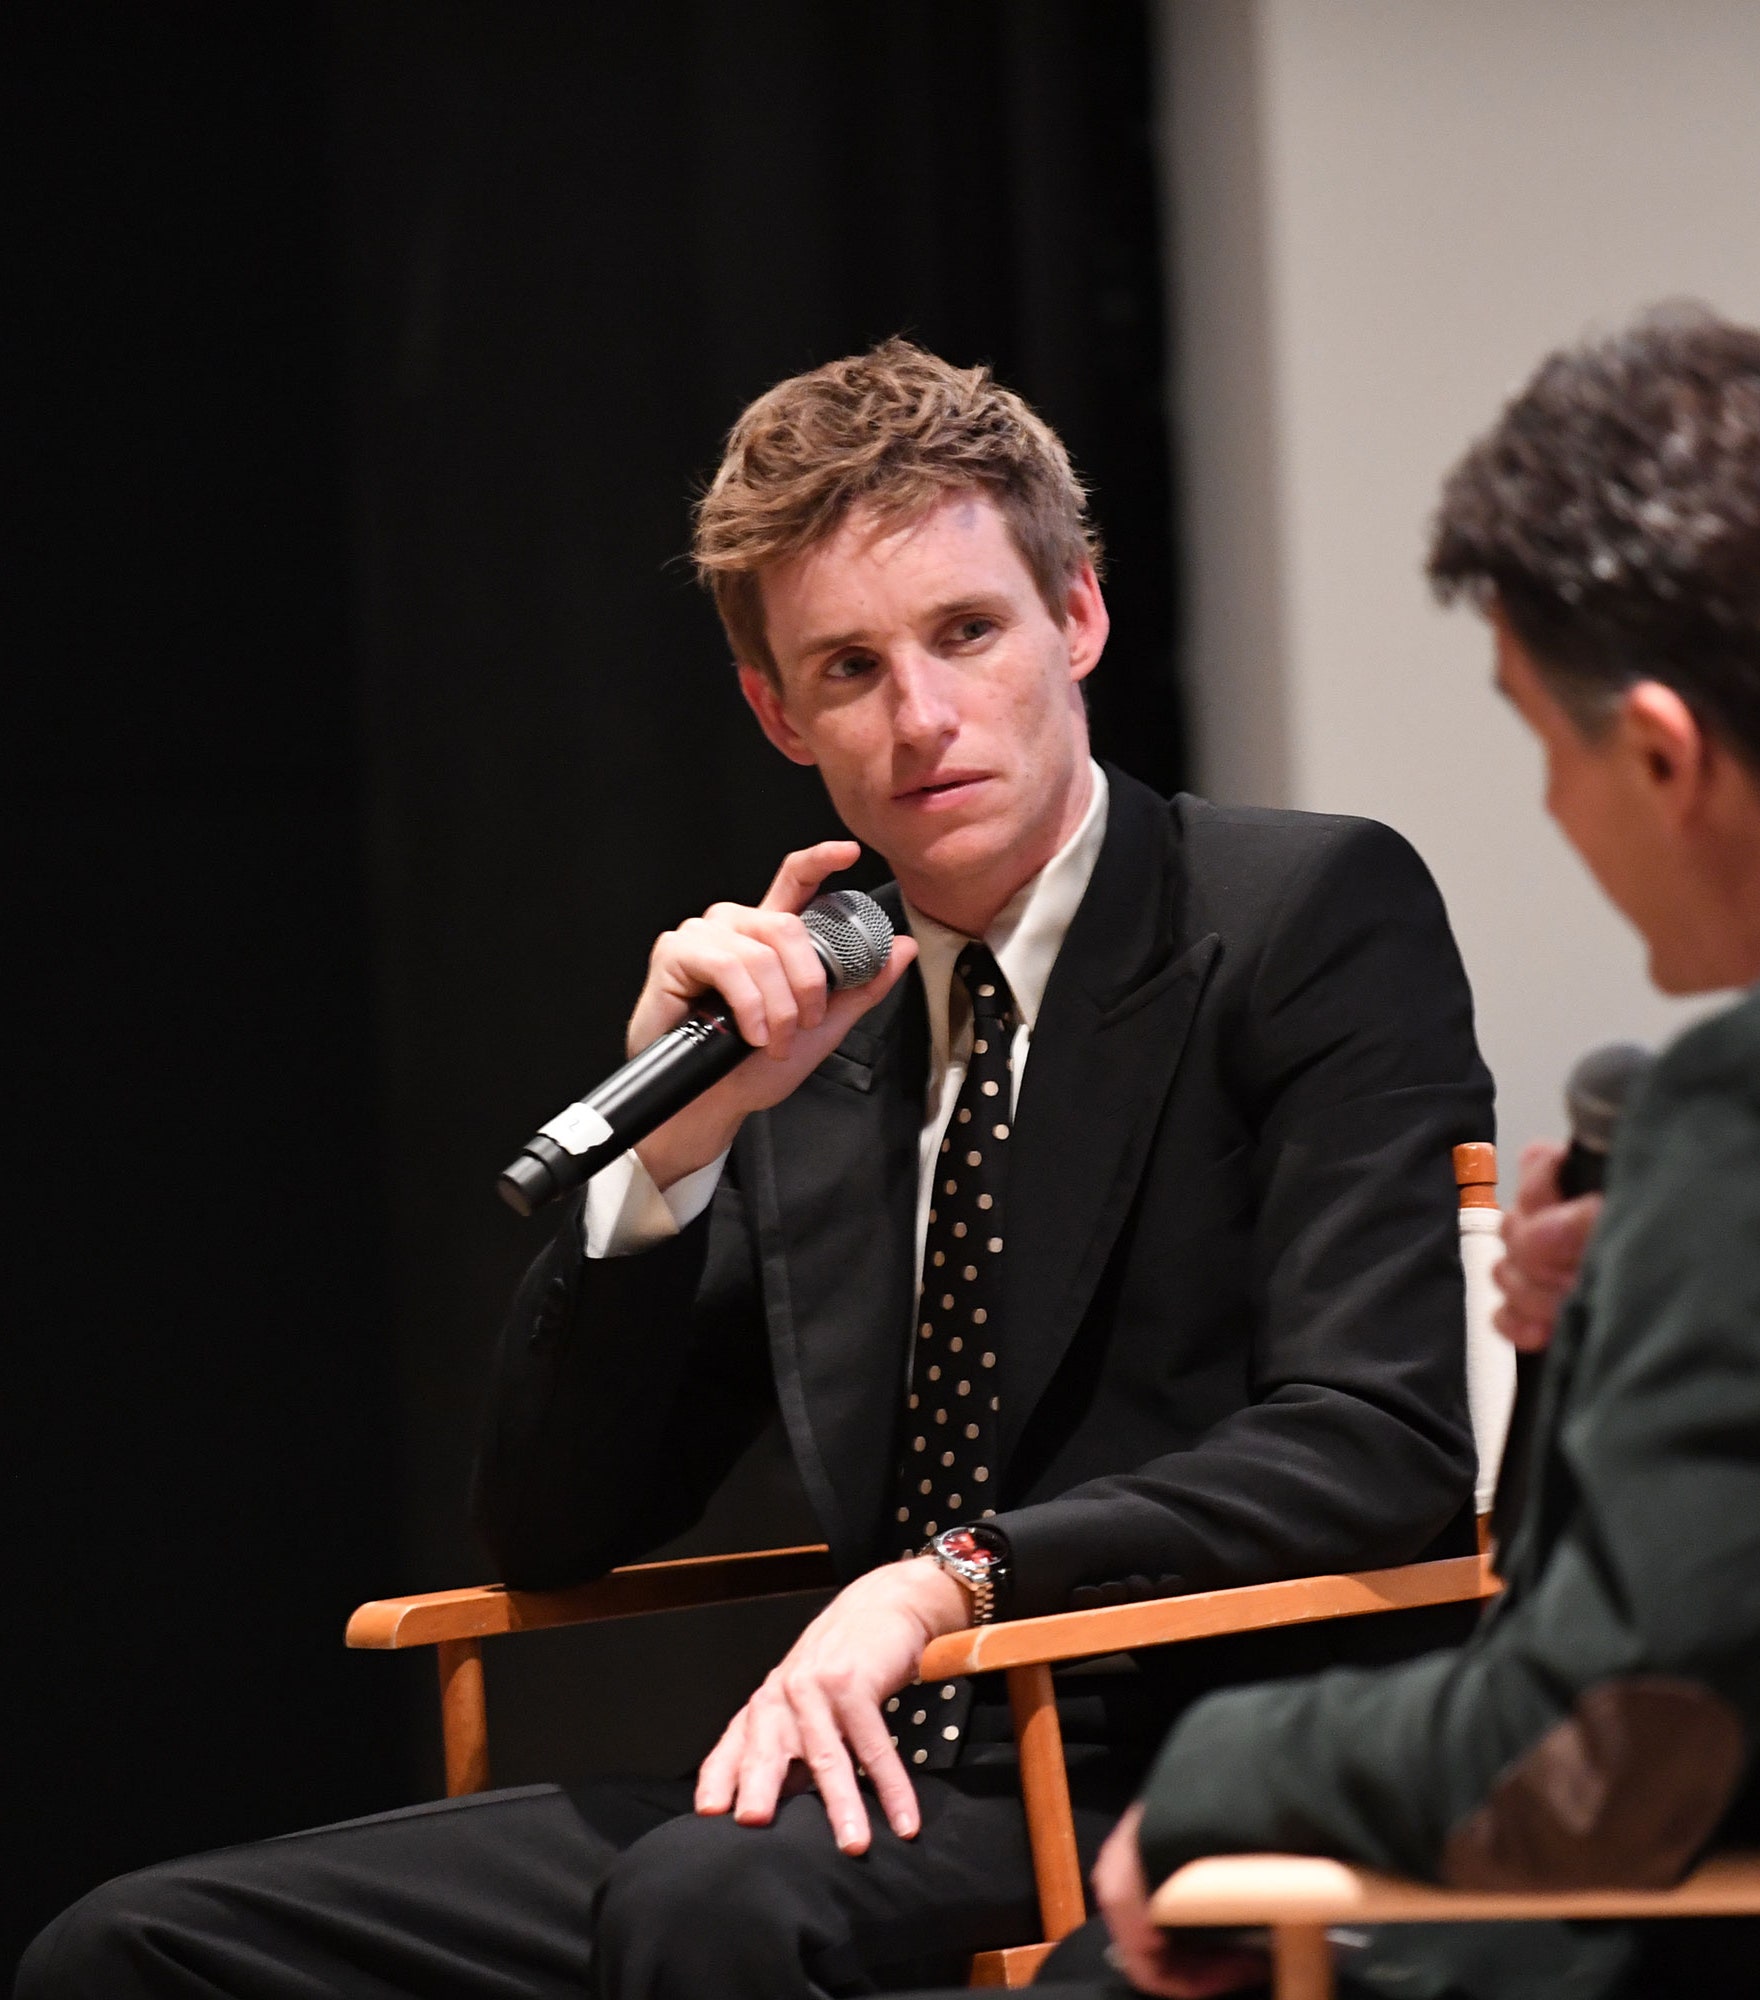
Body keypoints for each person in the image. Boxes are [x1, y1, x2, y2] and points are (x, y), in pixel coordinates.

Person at [21, 340, 1492, 1998]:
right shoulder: (809, 1022)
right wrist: (679, 1146)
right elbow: (556, 1532)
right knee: (132, 1952)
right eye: (849, 670)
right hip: (855, 1783)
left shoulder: (1298, 916)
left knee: (710, 1908)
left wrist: (949, 1585)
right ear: (776, 712)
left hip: (1175, 1751)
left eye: (966, 633)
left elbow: (1377, 1436)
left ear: (1075, 618)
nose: (922, 716)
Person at [1025, 309, 1760, 2000]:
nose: (1552, 808)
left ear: (1664, 752)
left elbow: (1589, 1747)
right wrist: (1592, 1332)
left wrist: (1199, 1793)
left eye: (1542, 742)